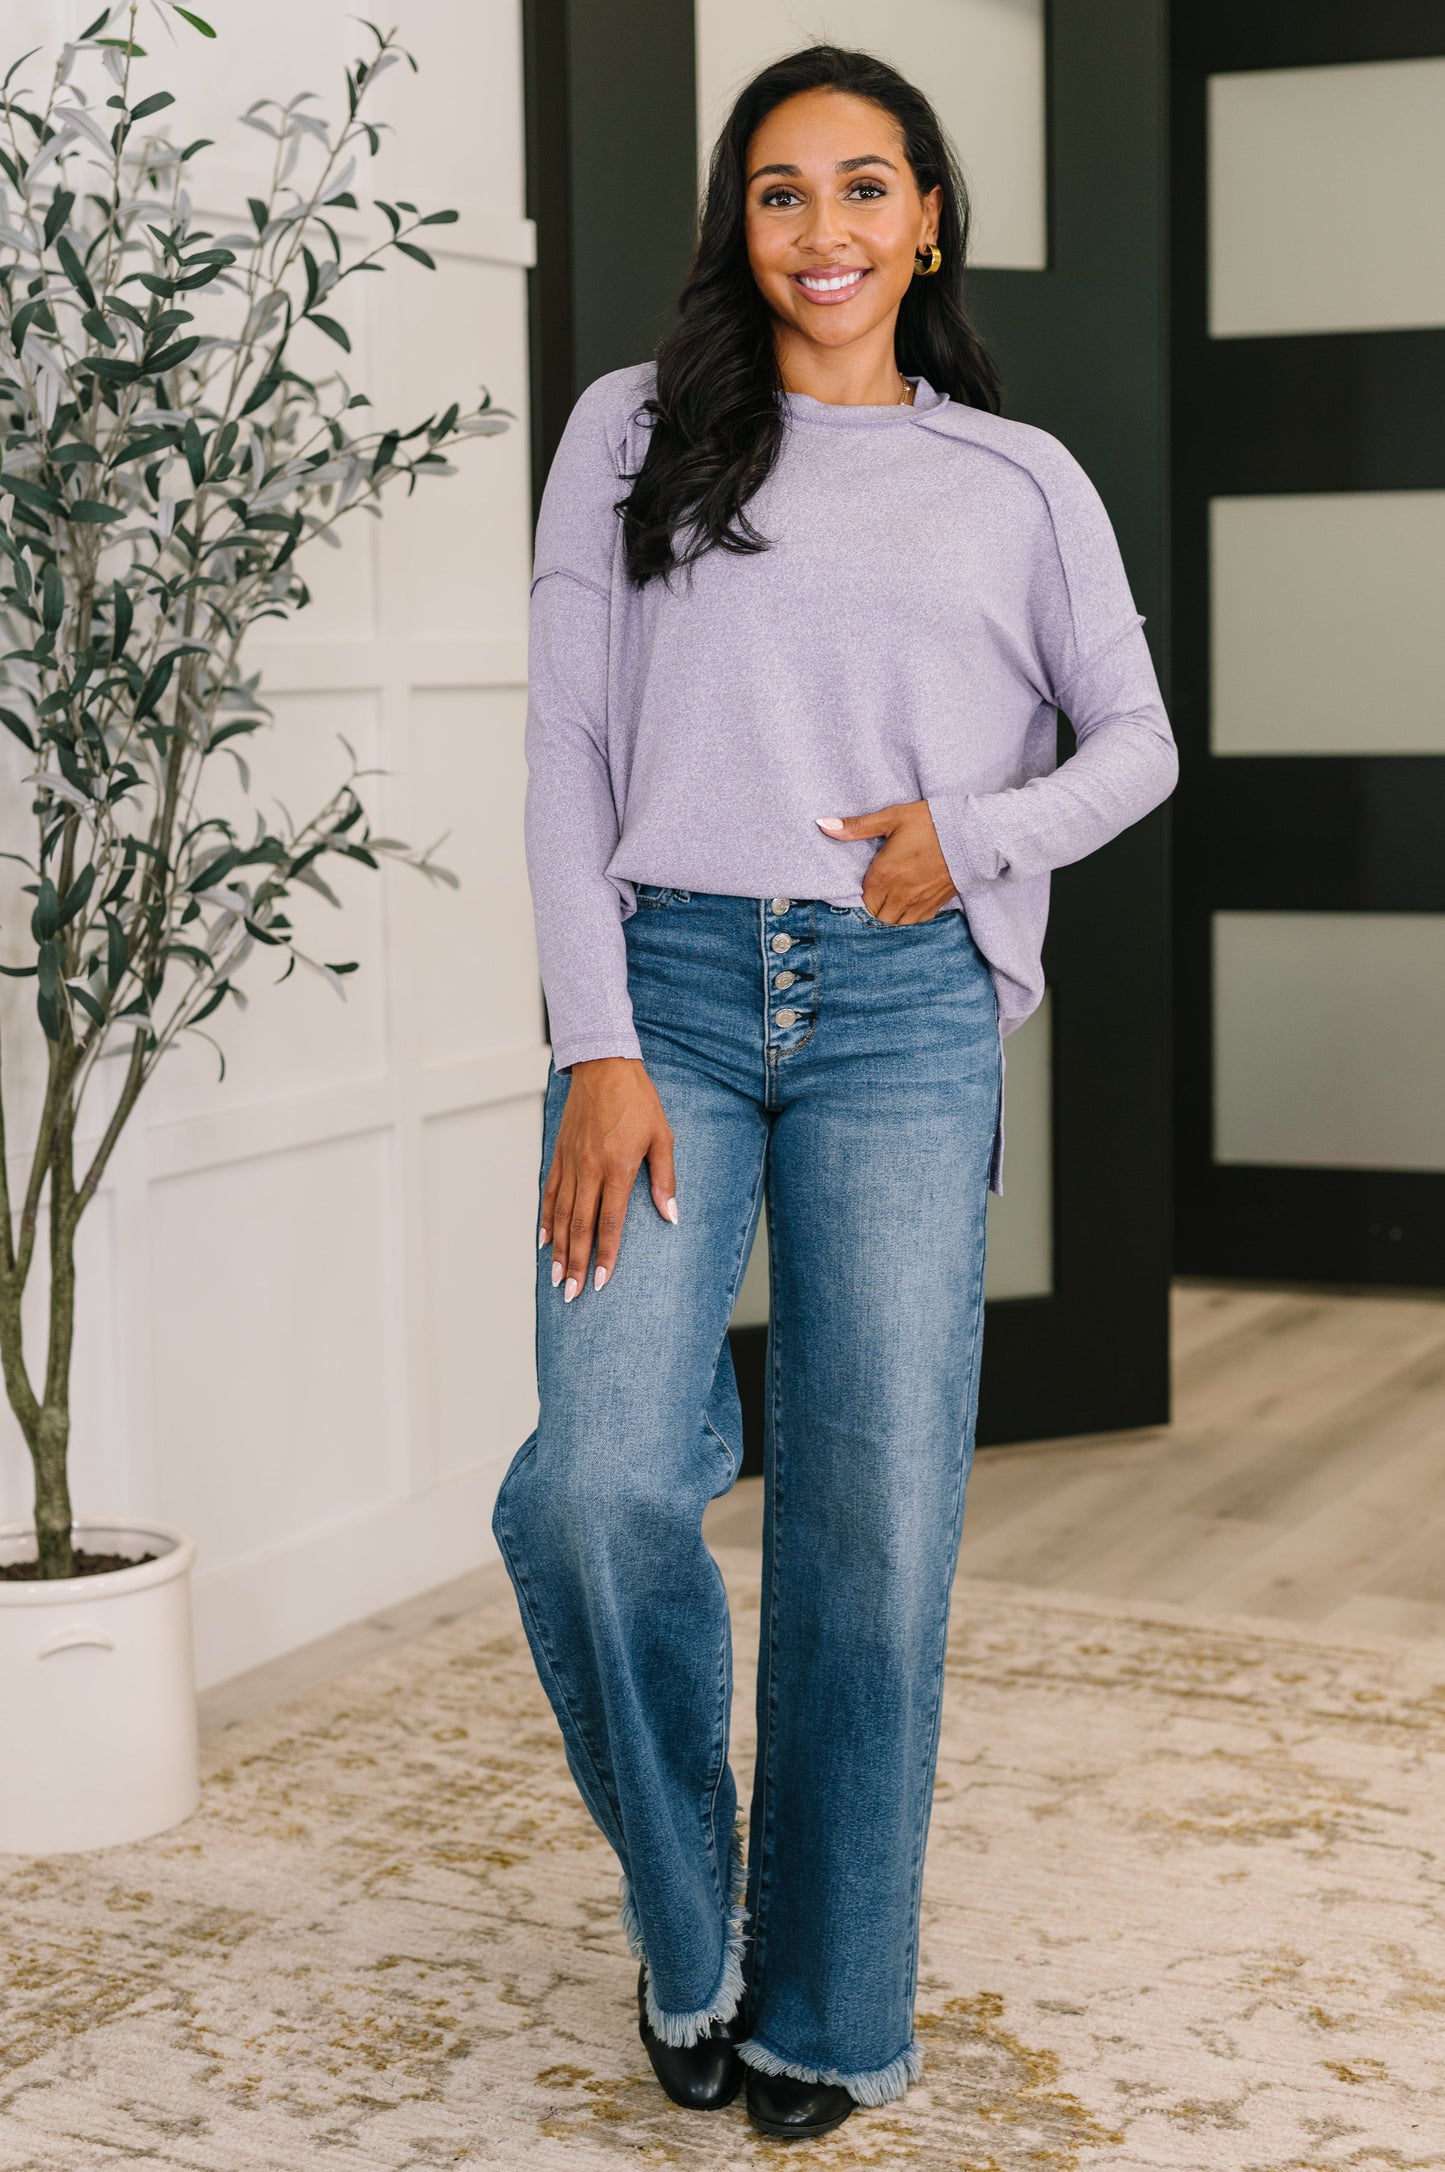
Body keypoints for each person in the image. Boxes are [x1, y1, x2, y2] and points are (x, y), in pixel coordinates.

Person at [493, 41, 1177, 2143]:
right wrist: (598, 1043)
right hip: (669, 997)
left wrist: (965, 841)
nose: (825, 232)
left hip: (901, 1009)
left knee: (874, 1539)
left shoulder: (1019, 477)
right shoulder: (633, 433)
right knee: (602, 1486)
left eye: (865, 188)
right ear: (741, 223)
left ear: (929, 220)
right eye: (781, 194)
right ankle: (689, 1925)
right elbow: (565, 757)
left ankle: (821, 2019)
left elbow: (1135, 745)